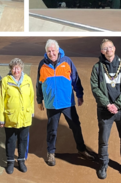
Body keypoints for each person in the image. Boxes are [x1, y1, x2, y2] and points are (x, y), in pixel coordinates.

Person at [37, 39, 93, 167]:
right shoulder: (42, 64)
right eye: (49, 51)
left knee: (76, 127)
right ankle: (51, 153)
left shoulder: (67, 61)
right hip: (52, 104)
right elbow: (38, 84)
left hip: (67, 102)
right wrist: (39, 100)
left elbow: (75, 79)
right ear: (46, 52)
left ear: (58, 50)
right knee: (52, 130)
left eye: (53, 51)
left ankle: (82, 149)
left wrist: (80, 95)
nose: (51, 53)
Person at [90, 39, 121, 181]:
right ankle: (103, 164)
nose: (108, 50)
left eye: (110, 47)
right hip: (105, 111)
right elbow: (95, 88)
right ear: (102, 52)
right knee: (103, 140)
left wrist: (118, 104)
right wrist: (107, 104)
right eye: (105, 49)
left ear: (114, 49)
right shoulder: (97, 68)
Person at [0, 58, 34, 174]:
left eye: (18, 68)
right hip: (10, 117)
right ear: (11, 69)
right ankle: (10, 162)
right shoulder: (5, 81)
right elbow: (1, 100)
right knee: (10, 140)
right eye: (13, 68)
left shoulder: (28, 80)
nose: (16, 70)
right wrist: (1, 119)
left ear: (21, 68)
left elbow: (31, 97)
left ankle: (21, 161)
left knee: (23, 140)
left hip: (25, 116)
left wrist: (31, 112)